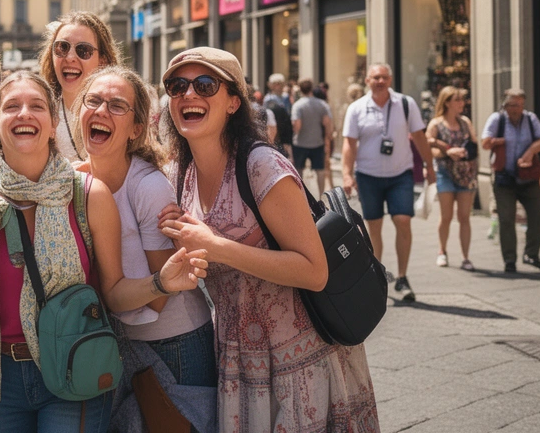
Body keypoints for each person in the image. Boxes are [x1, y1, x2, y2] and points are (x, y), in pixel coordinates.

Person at [0, 71, 207, 432]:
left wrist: (161, 282)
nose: (24, 113)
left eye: (37, 106)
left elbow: (112, 292)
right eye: (12, 106)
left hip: (76, 364)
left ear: (54, 124)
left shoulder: (87, 193)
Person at [156, 48, 378, 431]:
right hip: (238, 360)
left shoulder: (261, 166)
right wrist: (182, 237)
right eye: (177, 86)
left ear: (233, 102)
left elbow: (314, 271)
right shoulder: (180, 174)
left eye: (204, 84)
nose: (188, 94)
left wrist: (217, 246)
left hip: (302, 357)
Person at [72, 67, 217, 402]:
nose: (102, 110)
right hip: (117, 342)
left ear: (136, 129)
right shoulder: (75, 180)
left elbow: (159, 297)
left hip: (175, 345)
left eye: (116, 106)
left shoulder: (148, 187)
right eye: (93, 101)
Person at [341, 63, 434, 302]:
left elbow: (420, 137)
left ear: (390, 80)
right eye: (375, 77)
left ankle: (402, 277)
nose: (380, 81)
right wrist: (347, 174)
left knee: (403, 220)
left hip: (400, 175)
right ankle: (377, 275)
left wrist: (430, 166)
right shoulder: (357, 108)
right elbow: (349, 144)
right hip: (368, 176)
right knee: (374, 226)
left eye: (384, 77)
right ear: (367, 81)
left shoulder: (405, 104)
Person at [481, 88, 540, 273]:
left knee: (537, 215)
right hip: (505, 178)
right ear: (504, 105)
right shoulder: (497, 119)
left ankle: (531, 254)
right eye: (512, 105)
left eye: (519, 105)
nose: (516, 109)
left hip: (529, 178)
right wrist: (498, 141)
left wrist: (530, 152)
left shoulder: (530, 119)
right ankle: (509, 259)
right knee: (506, 219)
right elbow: (484, 142)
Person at [39, 12, 120, 162]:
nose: (70, 58)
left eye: (83, 50)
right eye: (62, 47)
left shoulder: (123, 113)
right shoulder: (40, 113)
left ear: (102, 60)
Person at [426, 86, 478, 271]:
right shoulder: (436, 124)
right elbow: (428, 149)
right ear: (447, 102)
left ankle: (466, 257)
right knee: (446, 216)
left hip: (465, 174)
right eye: (457, 100)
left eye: (462, 99)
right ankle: (442, 251)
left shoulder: (465, 122)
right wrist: (448, 152)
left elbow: (474, 145)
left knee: (464, 216)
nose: (461, 103)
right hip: (444, 172)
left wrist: (464, 151)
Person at [290, 78, 334, 194]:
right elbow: (327, 123)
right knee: (320, 171)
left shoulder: (297, 105)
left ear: (300, 89)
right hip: (317, 142)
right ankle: (321, 195)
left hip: (300, 143)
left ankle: (301, 195)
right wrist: (328, 139)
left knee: (299, 171)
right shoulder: (322, 104)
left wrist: (294, 132)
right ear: (312, 88)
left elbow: (297, 125)